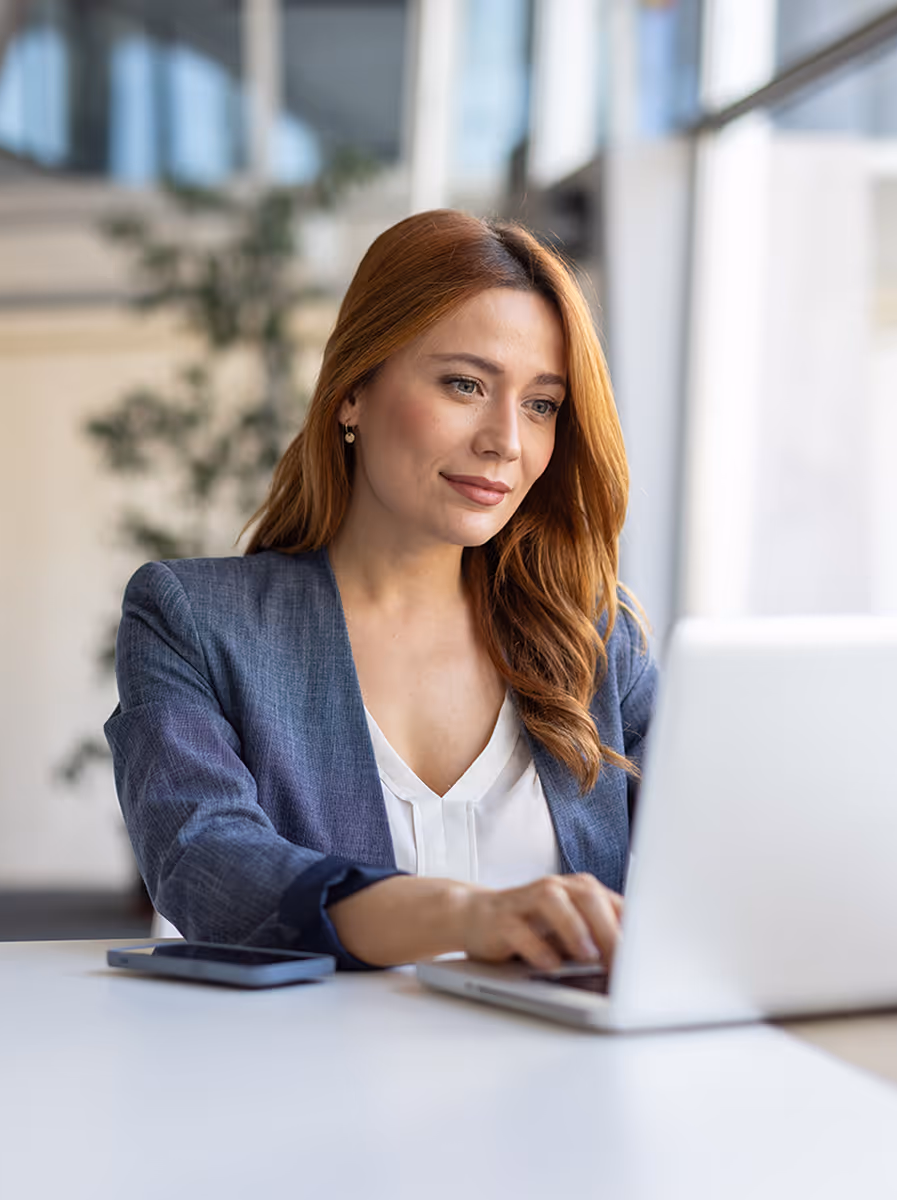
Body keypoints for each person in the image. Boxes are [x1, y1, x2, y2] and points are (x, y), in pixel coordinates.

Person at [105, 209, 657, 972]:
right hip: (320, 1080)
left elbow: (717, 850)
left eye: (542, 404)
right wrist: (474, 915)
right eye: (465, 384)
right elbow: (207, 862)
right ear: (352, 392)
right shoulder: (195, 620)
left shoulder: (593, 639)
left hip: (574, 1079)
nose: (506, 440)